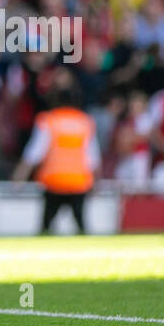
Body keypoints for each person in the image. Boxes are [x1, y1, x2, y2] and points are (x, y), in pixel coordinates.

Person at [12, 84, 100, 234]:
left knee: (46, 227)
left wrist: (18, 178)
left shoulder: (48, 120)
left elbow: (33, 154)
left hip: (54, 181)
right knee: (81, 226)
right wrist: (96, 182)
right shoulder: (85, 122)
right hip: (78, 182)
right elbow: (93, 157)